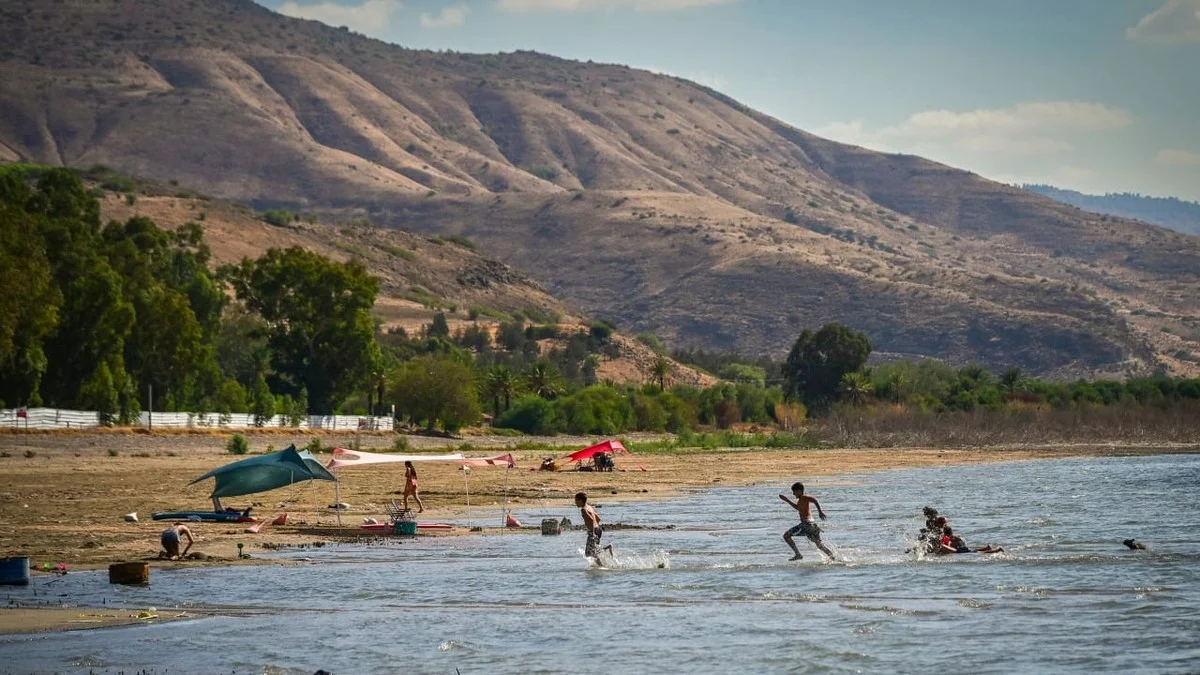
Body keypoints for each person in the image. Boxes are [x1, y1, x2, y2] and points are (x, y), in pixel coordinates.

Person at [779, 482, 835, 561]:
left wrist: (820, 511)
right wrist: (787, 500)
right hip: (813, 525)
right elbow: (798, 508)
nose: (793, 494)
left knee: (786, 536)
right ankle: (833, 557)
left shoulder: (804, 497)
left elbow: (814, 500)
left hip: (806, 524)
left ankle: (798, 554)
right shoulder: (801, 500)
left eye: (794, 492)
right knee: (819, 545)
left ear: (799, 491)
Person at [575, 492, 611, 564]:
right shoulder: (589, 507)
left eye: (576, 501)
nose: (575, 503)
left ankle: (601, 566)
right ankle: (607, 548)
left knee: (590, 553)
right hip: (598, 529)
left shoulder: (583, 510)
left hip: (593, 532)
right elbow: (598, 518)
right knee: (592, 552)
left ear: (581, 500)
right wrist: (596, 527)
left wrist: (593, 533)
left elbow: (591, 520)